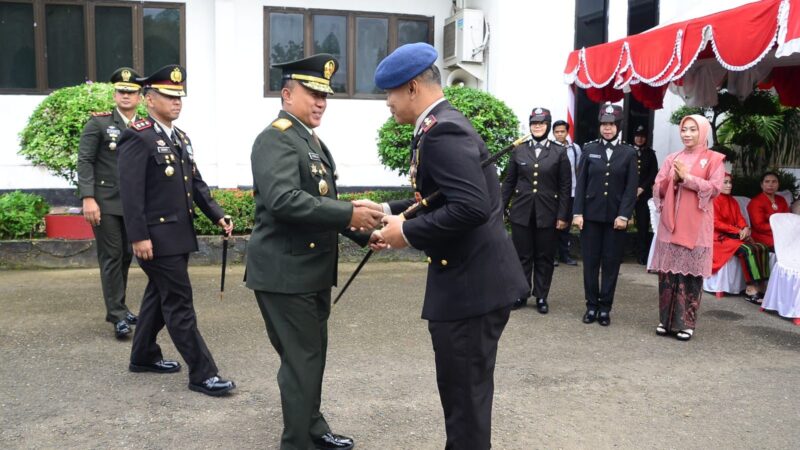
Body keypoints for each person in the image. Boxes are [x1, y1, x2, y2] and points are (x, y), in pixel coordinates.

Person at [366, 42, 529, 450]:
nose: (387, 103)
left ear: (413, 88)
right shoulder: (437, 125)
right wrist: (389, 209)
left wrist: (407, 233)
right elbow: (439, 197)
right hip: (470, 284)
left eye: (390, 93)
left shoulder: (443, 131)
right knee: (463, 397)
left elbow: (471, 208)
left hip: (471, 289)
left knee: (465, 401)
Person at [245, 54, 382, 450]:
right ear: (287, 94)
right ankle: (297, 442)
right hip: (286, 273)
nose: (321, 101)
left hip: (308, 270)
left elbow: (320, 204)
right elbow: (284, 201)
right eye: (312, 93)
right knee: (301, 361)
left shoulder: (308, 138)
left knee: (310, 358)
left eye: (325, 95)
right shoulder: (276, 137)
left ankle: (313, 428)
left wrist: (361, 233)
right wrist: (351, 214)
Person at [117, 65, 236, 396]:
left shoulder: (180, 137)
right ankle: (203, 373)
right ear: (149, 98)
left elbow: (195, 184)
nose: (176, 102)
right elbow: (130, 192)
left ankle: (143, 356)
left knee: (159, 296)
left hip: (178, 237)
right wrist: (138, 236)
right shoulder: (137, 136)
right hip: (155, 239)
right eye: (169, 96)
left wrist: (218, 215)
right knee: (180, 304)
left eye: (179, 96)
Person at [77, 67, 141, 339]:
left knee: (126, 255)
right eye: (121, 91)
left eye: (131, 92)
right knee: (112, 256)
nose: (126, 96)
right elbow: (85, 161)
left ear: (140, 96)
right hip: (105, 202)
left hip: (133, 204)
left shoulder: (143, 125)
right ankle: (117, 316)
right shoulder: (99, 124)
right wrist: (88, 198)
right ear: (115, 94)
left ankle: (119, 307)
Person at [650, 114, 725, 341]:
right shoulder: (673, 157)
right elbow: (658, 185)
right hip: (670, 225)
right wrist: (671, 179)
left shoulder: (714, 159)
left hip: (696, 226)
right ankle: (666, 321)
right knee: (668, 276)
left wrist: (687, 178)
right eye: (684, 130)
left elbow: (714, 188)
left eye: (693, 130)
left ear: (702, 132)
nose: (688, 134)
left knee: (690, 278)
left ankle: (687, 324)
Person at [572, 103, 638, 327]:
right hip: (590, 217)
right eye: (604, 124)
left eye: (611, 124)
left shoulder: (629, 152)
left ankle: (605, 308)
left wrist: (624, 215)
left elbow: (631, 189)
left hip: (615, 220)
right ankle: (591, 306)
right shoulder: (589, 149)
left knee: (611, 264)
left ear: (618, 126)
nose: (607, 129)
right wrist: (577, 212)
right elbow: (580, 185)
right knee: (590, 263)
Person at [501, 107, 571, 313]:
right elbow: (509, 182)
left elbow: (565, 187)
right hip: (522, 212)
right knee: (522, 255)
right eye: (534, 123)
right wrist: (499, 208)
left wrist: (562, 215)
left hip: (547, 213)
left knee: (544, 256)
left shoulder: (559, 151)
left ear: (548, 125)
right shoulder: (519, 150)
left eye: (541, 123)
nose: (537, 126)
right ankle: (521, 293)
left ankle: (541, 296)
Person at [712, 173, 771, 303]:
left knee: (762, 247)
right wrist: (738, 231)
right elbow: (716, 223)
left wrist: (745, 228)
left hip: (733, 236)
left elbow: (739, 218)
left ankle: (761, 286)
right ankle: (750, 288)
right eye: (725, 182)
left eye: (730, 182)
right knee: (747, 250)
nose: (729, 185)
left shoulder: (732, 200)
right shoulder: (713, 199)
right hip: (718, 239)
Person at [552, 119, 580, 266]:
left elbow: (579, 169)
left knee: (566, 226)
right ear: (553, 133)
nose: (560, 134)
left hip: (571, 192)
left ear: (567, 132)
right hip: (554, 194)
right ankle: (553, 256)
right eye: (556, 132)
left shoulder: (575, 148)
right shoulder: (549, 148)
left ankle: (565, 254)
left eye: (562, 131)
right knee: (553, 225)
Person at [632, 125, 659, 265]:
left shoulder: (650, 154)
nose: (639, 139)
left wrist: (641, 188)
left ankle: (642, 255)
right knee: (621, 223)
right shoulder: (628, 151)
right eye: (637, 136)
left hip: (644, 195)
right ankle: (617, 255)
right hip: (627, 194)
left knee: (643, 226)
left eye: (642, 136)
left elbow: (653, 173)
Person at [747, 171, 790, 248]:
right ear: (761, 185)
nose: (770, 185)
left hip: (782, 232)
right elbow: (759, 226)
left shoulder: (781, 200)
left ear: (778, 184)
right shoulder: (756, 202)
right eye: (767, 182)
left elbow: (787, 218)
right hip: (764, 236)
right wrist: (779, 228)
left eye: (774, 182)